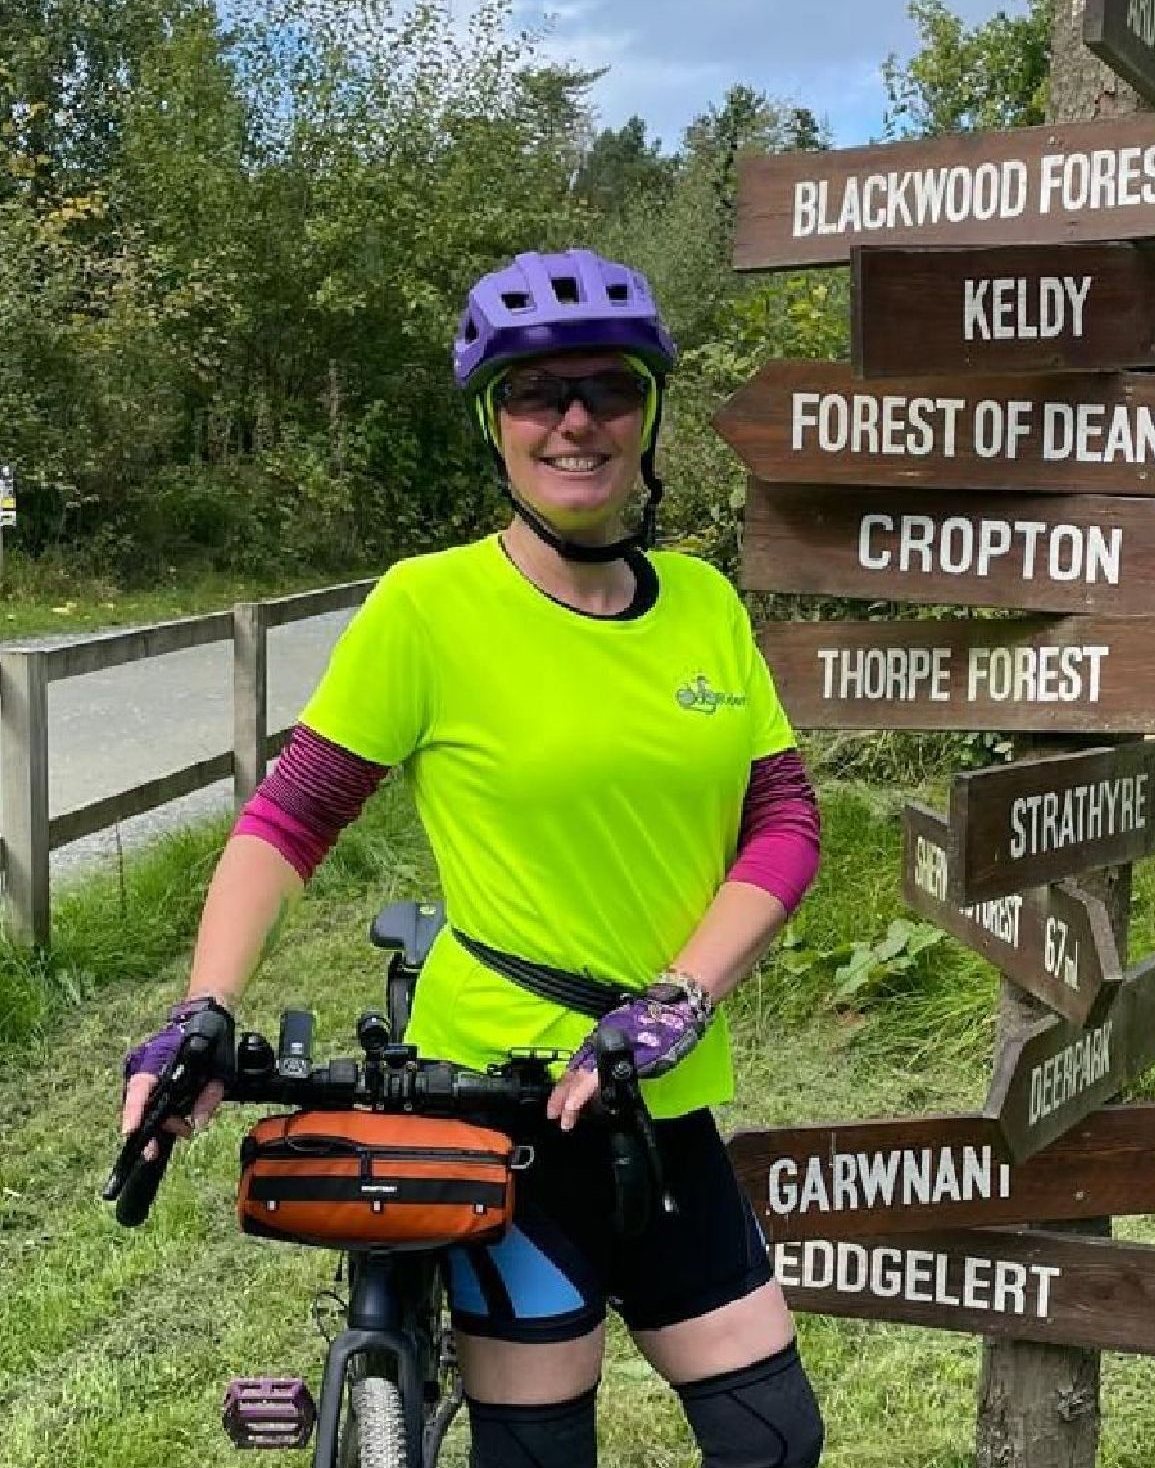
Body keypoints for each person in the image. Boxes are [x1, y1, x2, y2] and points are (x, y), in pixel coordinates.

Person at [122, 248, 824, 1467]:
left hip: (660, 1101)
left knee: (772, 1436)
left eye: (607, 388)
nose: (573, 421)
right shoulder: (428, 606)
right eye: (532, 393)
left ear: (649, 414)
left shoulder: (706, 602)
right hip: (494, 1107)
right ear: (492, 425)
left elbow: (785, 823)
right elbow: (288, 821)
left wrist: (680, 994)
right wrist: (204, 1004)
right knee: (539, 1450)